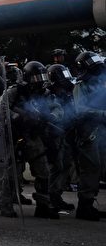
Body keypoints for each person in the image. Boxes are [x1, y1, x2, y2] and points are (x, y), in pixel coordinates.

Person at [0, 61, 60, 219]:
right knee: (12, 172)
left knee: (43, 171)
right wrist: (19, 117)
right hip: (16, 135)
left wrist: (51, 117)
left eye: (42, 77)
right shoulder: (15, 91)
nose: (39, 81)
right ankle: (6, 205)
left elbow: (56, 108)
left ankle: (43, 205)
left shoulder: (45, 93)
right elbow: (2, 109)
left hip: (34, 137)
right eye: (35, 78)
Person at [72, 51, 106, 221]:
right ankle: (84, 207)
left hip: (100, 132)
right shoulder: (80, 86)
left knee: (99, 168)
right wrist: (102, 114)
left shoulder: (100, 85)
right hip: (88, 133)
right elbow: (81, 110)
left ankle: (89, 204)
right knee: (90, 169)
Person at [45, 64, 77, 211]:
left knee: (65, 164)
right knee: (56, 165)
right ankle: (50, 196)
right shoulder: (48, 93)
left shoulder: (67, 91)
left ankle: (56, 194)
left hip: (66, 131)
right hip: (53, 134)